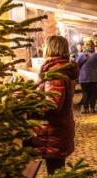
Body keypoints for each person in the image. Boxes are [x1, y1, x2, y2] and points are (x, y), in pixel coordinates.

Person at [32, 35, 78, 175]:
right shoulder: (60, 69)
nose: (43, 48)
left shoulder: (56, 73)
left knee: (56, 172)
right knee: (57, 170)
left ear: (51, 48)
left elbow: (51, 105)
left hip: (53, 131)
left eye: (45, 45)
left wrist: (29, 105)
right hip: (57, 130)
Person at [77, 41, 97, 113]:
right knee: (93, 92)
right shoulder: (96, 55)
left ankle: (85, 108)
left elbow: (77, 64)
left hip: (84, 77)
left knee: (85, 92)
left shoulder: (81, 55)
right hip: (93, 77)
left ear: (85, 46)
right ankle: (92, 108)